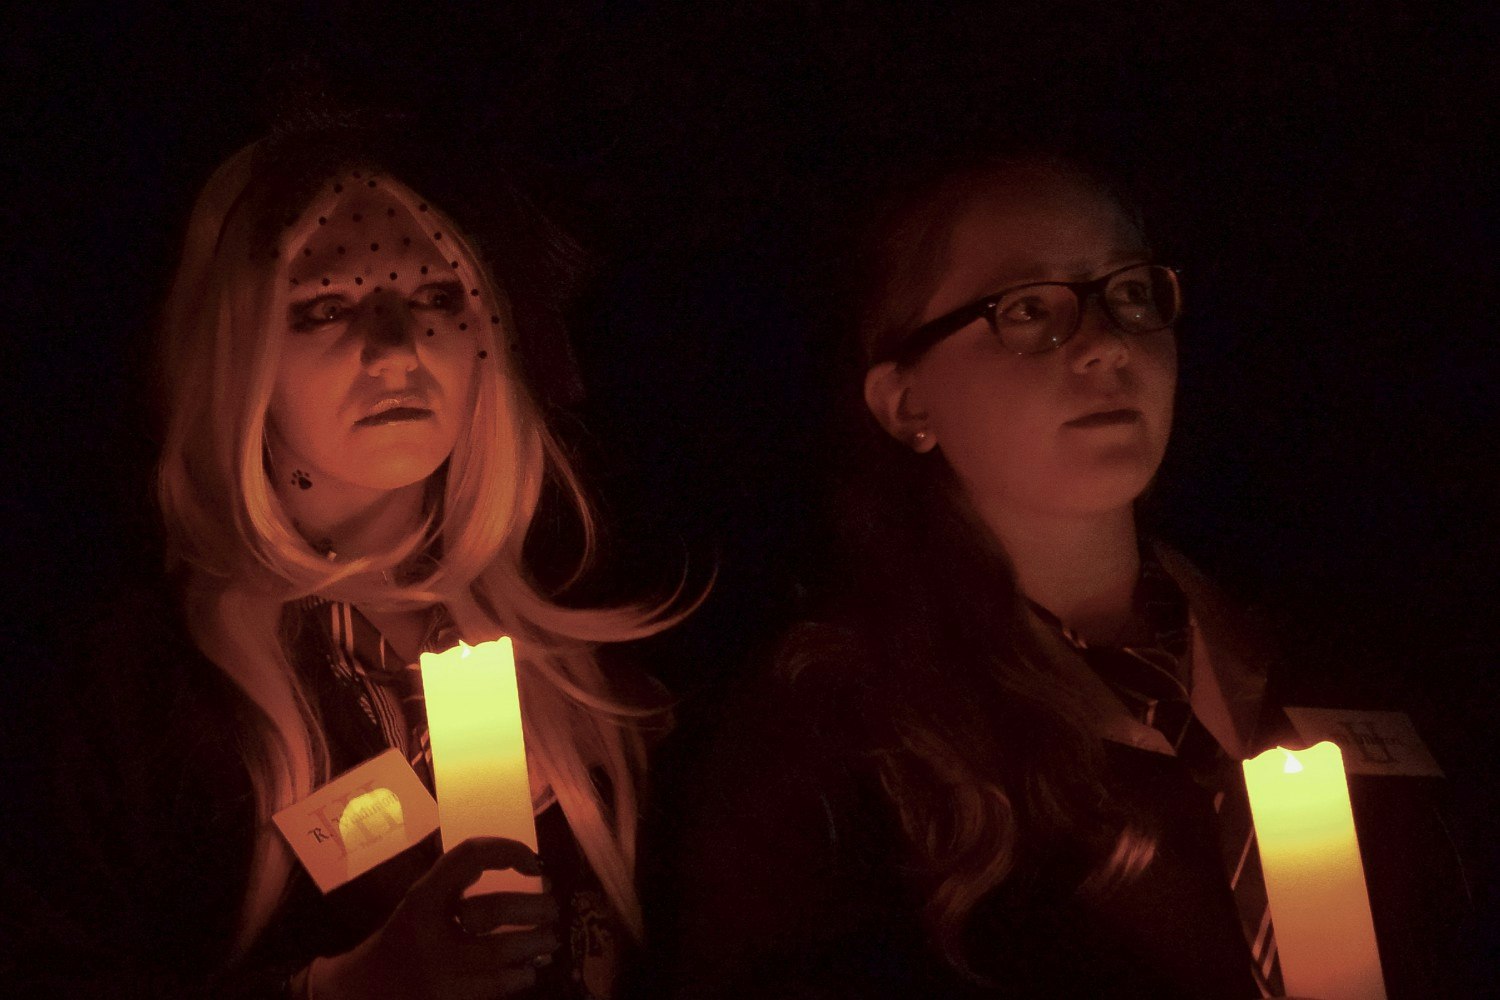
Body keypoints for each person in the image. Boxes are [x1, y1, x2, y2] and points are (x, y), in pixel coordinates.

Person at [662, 148, 1456, 999]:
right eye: (1028, 309)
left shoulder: (1326, 651)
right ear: (906, 402)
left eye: (1129, 292)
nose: (1106, 345)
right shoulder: (834, 735)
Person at [12, 123, 677, 999]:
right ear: (237, 354)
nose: (397, 346)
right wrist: (353, 987)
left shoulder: (573, 670)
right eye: (327, 306)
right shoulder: (141, 690)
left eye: (438, 295)